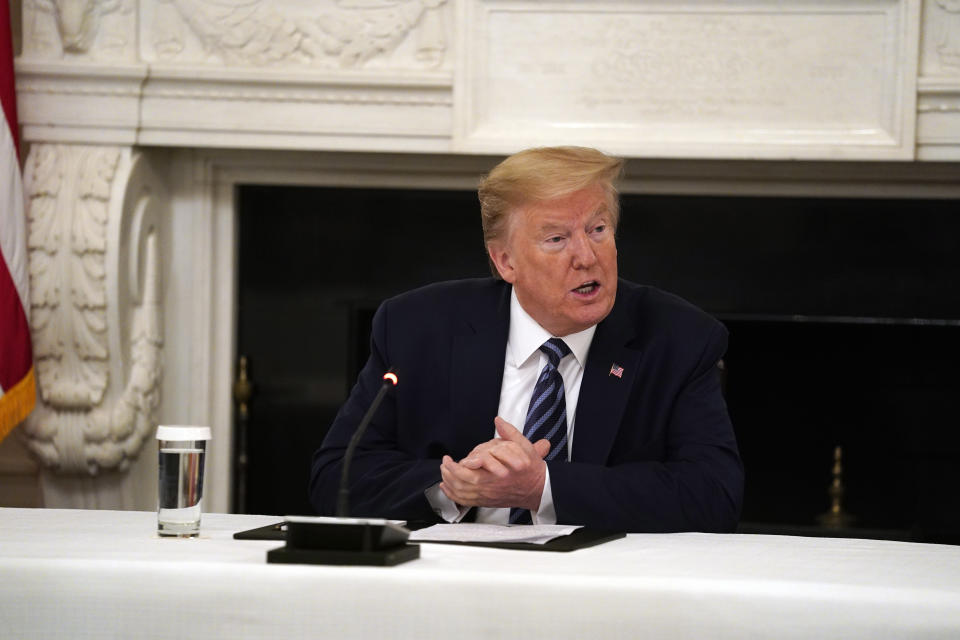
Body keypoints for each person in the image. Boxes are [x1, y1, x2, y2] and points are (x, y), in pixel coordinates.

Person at [309, 146, 743, 532]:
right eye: (557, 239)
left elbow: (714, 495)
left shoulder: (679, 339)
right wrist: (451, 486)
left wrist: (543, 487)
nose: (587, 257)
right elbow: (336, 478)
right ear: (505, 262)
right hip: (449, 580)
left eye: (598, 230)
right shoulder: (417, 327)